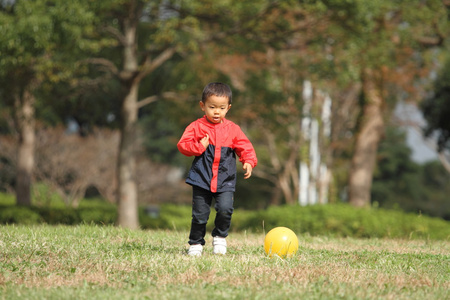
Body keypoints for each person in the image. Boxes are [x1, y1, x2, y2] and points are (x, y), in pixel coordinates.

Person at [177, 82, 257, 256]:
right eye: (212, 107)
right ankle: (196, 243)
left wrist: (249, 161)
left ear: (228, 108)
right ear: (202, 106)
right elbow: (183, 145)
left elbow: (245, 147)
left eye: (221, 108)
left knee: (225, 209)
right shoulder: (196, 127)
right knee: (199, 214)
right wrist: (199, 146)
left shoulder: (233, 129)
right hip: (201, 179)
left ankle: (220, 237)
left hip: (225, 179)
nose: (216, 111)